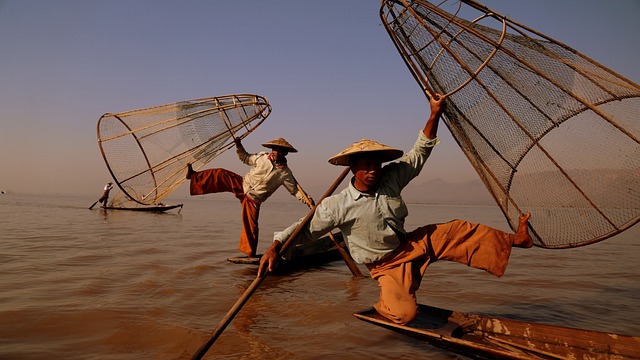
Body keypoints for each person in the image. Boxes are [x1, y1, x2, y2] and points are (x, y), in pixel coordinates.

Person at [258, 94, 533, 325]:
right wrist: (276, 246)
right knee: (404, 314)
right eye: (365, 166)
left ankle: (515, 240)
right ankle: (384, 302)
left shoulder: (391, 178)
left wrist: (434, 114)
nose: (372, 171)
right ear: (352, 168)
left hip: (411, 243)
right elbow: (305, 229)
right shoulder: (338, 205)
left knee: (460, 231)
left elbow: (419, 153)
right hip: (386, 265)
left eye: (376, 164)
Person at [186, 137, 314, 258]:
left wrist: (307, 200)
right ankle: (193, 176)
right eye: (275, 150)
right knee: (220, 173)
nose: (276, 153)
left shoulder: (285, 173)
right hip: (243, 184)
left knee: (251, 225)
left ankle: (250, 254)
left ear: (285, 154)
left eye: (280, 151)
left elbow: (295, 190)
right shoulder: (262, 157)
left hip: (254, 198)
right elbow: (246, 158)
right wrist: (239, 145)